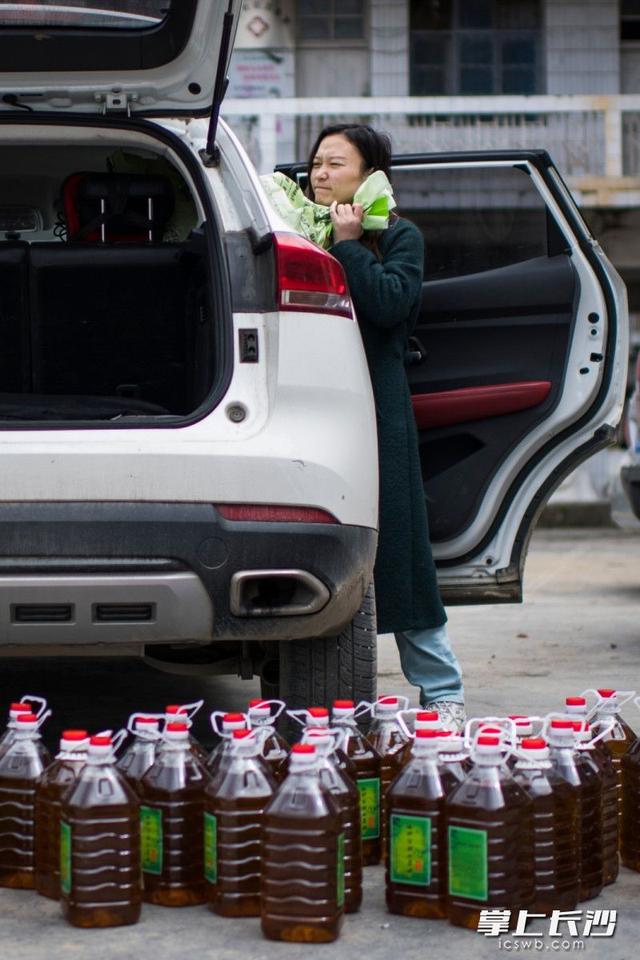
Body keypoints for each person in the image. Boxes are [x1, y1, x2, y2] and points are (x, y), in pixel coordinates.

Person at [307, 123, 465, 730]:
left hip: (377, 406)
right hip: (309, 406)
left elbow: (391, 304)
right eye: (317, 163)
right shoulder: (296, 233)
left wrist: (348, 245)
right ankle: (342, 698)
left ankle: (441, 690)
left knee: (399, 547)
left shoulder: (400, 236)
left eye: (335, 163)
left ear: (372, 174)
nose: (320, 174)